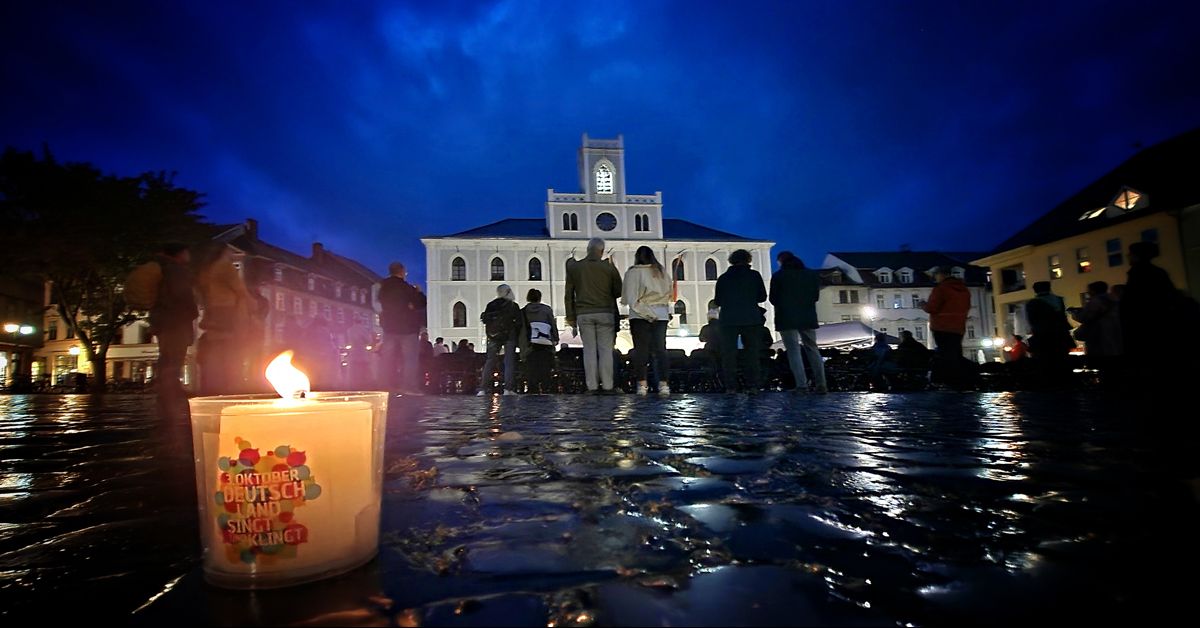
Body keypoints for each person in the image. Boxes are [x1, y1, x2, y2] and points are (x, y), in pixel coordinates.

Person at [195, 245, 256, 396]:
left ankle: (213, 384)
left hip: (212, 310)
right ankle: (231, 384)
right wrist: (252, 304)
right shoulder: (224, 266)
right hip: (227, 310)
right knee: (230, 347)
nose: (230, 253)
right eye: (228, 251)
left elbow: (201, 291)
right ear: (223, 251)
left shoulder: (206, 270)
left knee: (216, 345)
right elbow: (240, 289)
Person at [564, 238, 623, 393]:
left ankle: (592, 386)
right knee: (605, 351)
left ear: (588, 249)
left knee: (589, 351)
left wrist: (570, 317)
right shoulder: (609, 268)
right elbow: (618, 291)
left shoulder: (575, 267)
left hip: (584, 314)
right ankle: (608, 385)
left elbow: (568, 294)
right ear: (602, 251)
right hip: (605, 313)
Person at [149, 242, 197, 423]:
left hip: (164, 320)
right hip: (175, 320)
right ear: (180, 253)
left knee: (167, 356)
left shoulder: (164, 268)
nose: (189, 256)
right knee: (173, 358)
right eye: (187, 252)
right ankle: (169, 395)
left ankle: (166, 393)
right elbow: (181, 295)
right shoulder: (176, 270)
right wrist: (193, 310)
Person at [769, 251, 827, 393]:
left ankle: (801, 385)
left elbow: (773, 299)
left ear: (781, 262)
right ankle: (821, 384)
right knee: (812, 349)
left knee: (793, 351)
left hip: (786, 317)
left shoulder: (778, 276)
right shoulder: (811, 275)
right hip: (807, 316)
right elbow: (815, 296)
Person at [714, 249, 768, 394]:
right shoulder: (754, 275)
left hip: (728, 320)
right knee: (751, 353)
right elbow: (762, 297)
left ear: (731, 260)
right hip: (751, 318)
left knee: (729, 354)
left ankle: (731, 386)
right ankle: (753, 385)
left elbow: (717, 300)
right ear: (748, 260)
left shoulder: (724, 278)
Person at [622, 246, 673, 395]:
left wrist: (646, 312)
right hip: (661, 314)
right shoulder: (661, 272)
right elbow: (670, 292)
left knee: (641, 350)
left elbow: (630, 298)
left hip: (639, 315)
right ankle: (664, 384)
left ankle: (642, 384)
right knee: (660, 350)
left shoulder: (633, 272)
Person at [374, 262, 426, 393]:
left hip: (389, 327)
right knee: (410, 359)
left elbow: (379, 302)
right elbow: (420, 303)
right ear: (402, 272)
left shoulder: (383, 286)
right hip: (407, 328)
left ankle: (384, 385)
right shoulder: (406, 288)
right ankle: (408, 386)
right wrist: (419, 292)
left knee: (387, 359)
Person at [923, 266, 971, 388]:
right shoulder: (963, 289)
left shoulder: (941, 289)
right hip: (958, 327)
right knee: (955, 353)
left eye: (935, 276)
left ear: (940, 275)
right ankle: (960, 380)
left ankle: (945, 381)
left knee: (945, 354)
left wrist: (923, 305)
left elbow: (932, 308)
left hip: (941, 326)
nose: (935, 279)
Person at [1071, 280, 1122, 387]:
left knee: (1104, 368)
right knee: (1116, 368)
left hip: (1101, 338)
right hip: (1118, 338)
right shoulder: (1115, 300)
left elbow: (1084, 317)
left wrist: (1074, 314)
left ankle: (1108, 390)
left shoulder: (1096, 301)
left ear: (1093, 291)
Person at [1025, 281, 1075, 384]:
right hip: (1061, 336)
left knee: (1045, 363)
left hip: (1043, 338)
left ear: (1035, 290)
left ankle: (1049, 383)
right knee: (1062, 360)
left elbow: (1033, 321)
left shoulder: (1033, 303)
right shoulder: (1059, 300)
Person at [478, 284, 522, 396]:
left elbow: (485, 319)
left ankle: (482, 389)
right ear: (508, 292)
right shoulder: (513, 306)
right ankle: (508, 389)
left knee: (490, 361)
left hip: (493, 336)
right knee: (509, 362)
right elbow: (519, 323)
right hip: (509, 336)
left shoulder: (491, 305)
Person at [520, 288, 559, 394]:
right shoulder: (547, 310)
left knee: (531, 367)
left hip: (530, 343)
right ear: (540, 297)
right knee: (545, 366)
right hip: (545, 342)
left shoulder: (523, 311)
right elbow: (552, 324)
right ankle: (546, 387)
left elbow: (521, 328)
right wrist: (555, 338)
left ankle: (533, 388)